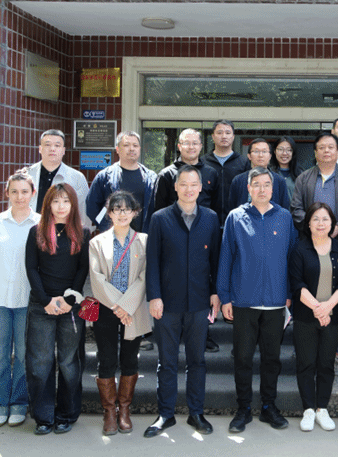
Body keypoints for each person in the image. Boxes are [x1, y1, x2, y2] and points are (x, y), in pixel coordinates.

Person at [144, 165, 221, 437]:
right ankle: (165, 414)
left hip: (199, 302)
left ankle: (196, 413)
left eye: (193, 184)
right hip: (167, 303)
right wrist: (154, 296)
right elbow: (152, 261)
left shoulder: (210, 218)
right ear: (176, 187)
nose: (189, 189)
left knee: (197, 361)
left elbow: (216, 260)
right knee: (166, 361)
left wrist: (216, 292)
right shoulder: (160, 218)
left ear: (201, 188)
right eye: (183, 184)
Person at [219, 167, 298, 433]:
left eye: (267, 184)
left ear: (273, 189)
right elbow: (226, 258)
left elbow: (292, 257)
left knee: (271, 358)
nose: (262, 189)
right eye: (257, 184)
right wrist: (225, 297)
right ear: (249, 188)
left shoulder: (284, 217)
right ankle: (243, 408)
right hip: (244, 300)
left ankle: (268, 406)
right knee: (242, 358)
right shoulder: (235, 217)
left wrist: (289, 294)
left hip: (276, 301)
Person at [24, 184, 89, 435]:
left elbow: (82, 269)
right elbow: (31, 268)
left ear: (73, 205)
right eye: (56, 201)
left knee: (69, 362)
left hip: (71, 307)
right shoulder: (36, 232)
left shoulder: (82, 232)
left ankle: (66, 414)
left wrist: (69, 300)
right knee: (40, 362)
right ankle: (43, 416)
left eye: (66, 201)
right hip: (42, 305)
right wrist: (46, 301)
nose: (61, 207)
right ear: (47, 204)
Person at [88, 191, 151, 436]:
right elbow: (97, 279)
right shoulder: (97, 242)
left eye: (127, 209)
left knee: (130, 359)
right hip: (106, 309)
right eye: (117, 209)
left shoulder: (144, 240)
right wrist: (118, 306)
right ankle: (109, 412)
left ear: (135, 212)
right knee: (106, 359)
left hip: (133, 310)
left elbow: (145, 276)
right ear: (109, 213)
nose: (122, 213)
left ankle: (124, 409)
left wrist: (127, 306)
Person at [0, 170, 39, 428]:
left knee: (25, 356)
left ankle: (19, 403)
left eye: (24, 191)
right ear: (7, 193)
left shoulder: (40, 224)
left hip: (27, 300)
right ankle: (0, 404)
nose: (19, 196)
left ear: (33, 193)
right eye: (14, 191)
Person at [289, 202, 338, 432]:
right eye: (315, 219)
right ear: (308, 224)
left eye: (325, 219)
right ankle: (308, 409)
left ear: (332, 223)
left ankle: (322, 408)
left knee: (326, 364)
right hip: (306, 316)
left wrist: (328, 307)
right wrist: (318, 309)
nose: (321, 223)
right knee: (306, 364)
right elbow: (297, 284)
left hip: (332, 318)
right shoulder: (299, 249)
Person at [291, 133, 338, 245]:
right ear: (315, 152)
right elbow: (296, 208)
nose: (326, 151)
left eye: (331, 147)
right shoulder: (303, 178)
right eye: (322, 147)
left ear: (337, 151)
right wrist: (313, 227)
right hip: (310, 239)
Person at [87, 131, 157, 233]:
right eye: (126, 145)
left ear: (139, 149)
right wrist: (105, 225)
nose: (131, 148)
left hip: (142, 237)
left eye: (135, 145)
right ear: (117, 149)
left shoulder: (151, 178)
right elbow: (91, 207)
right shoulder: (105, 176)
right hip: (113, 236)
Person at [27, 129, 90, 228]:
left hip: (64, 233)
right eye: (47, 145)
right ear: (40, 149)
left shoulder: (77, 177)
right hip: (30, 232)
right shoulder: (27, 174)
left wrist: (82, 235)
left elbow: (83, 213)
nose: (52, 149)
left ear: (63, 150)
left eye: (57, 145)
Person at [152, 128, 220, 214]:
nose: (191, 147)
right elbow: (159, 209)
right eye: (186, 143)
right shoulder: (167, 174)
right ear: (179, 146)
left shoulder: (211, 173)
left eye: (195, 143)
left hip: (204, 222)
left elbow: (216, 207)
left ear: (200, 146)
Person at [202, 120, 250, 225]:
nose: (224, 136)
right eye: (219, 133)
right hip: (207, 220)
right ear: (213, 136)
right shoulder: (203, 162)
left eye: (228, 133)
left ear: (233, 137)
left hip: (237, 221)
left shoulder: (243, 162)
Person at [227, 138, 290, 213]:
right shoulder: (238, 180)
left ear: (270, 156)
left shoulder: (279, 181)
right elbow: (232, 208)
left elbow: (284, 209)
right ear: (249, 156)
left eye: (264, 151)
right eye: (256, 151)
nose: (260, 155)